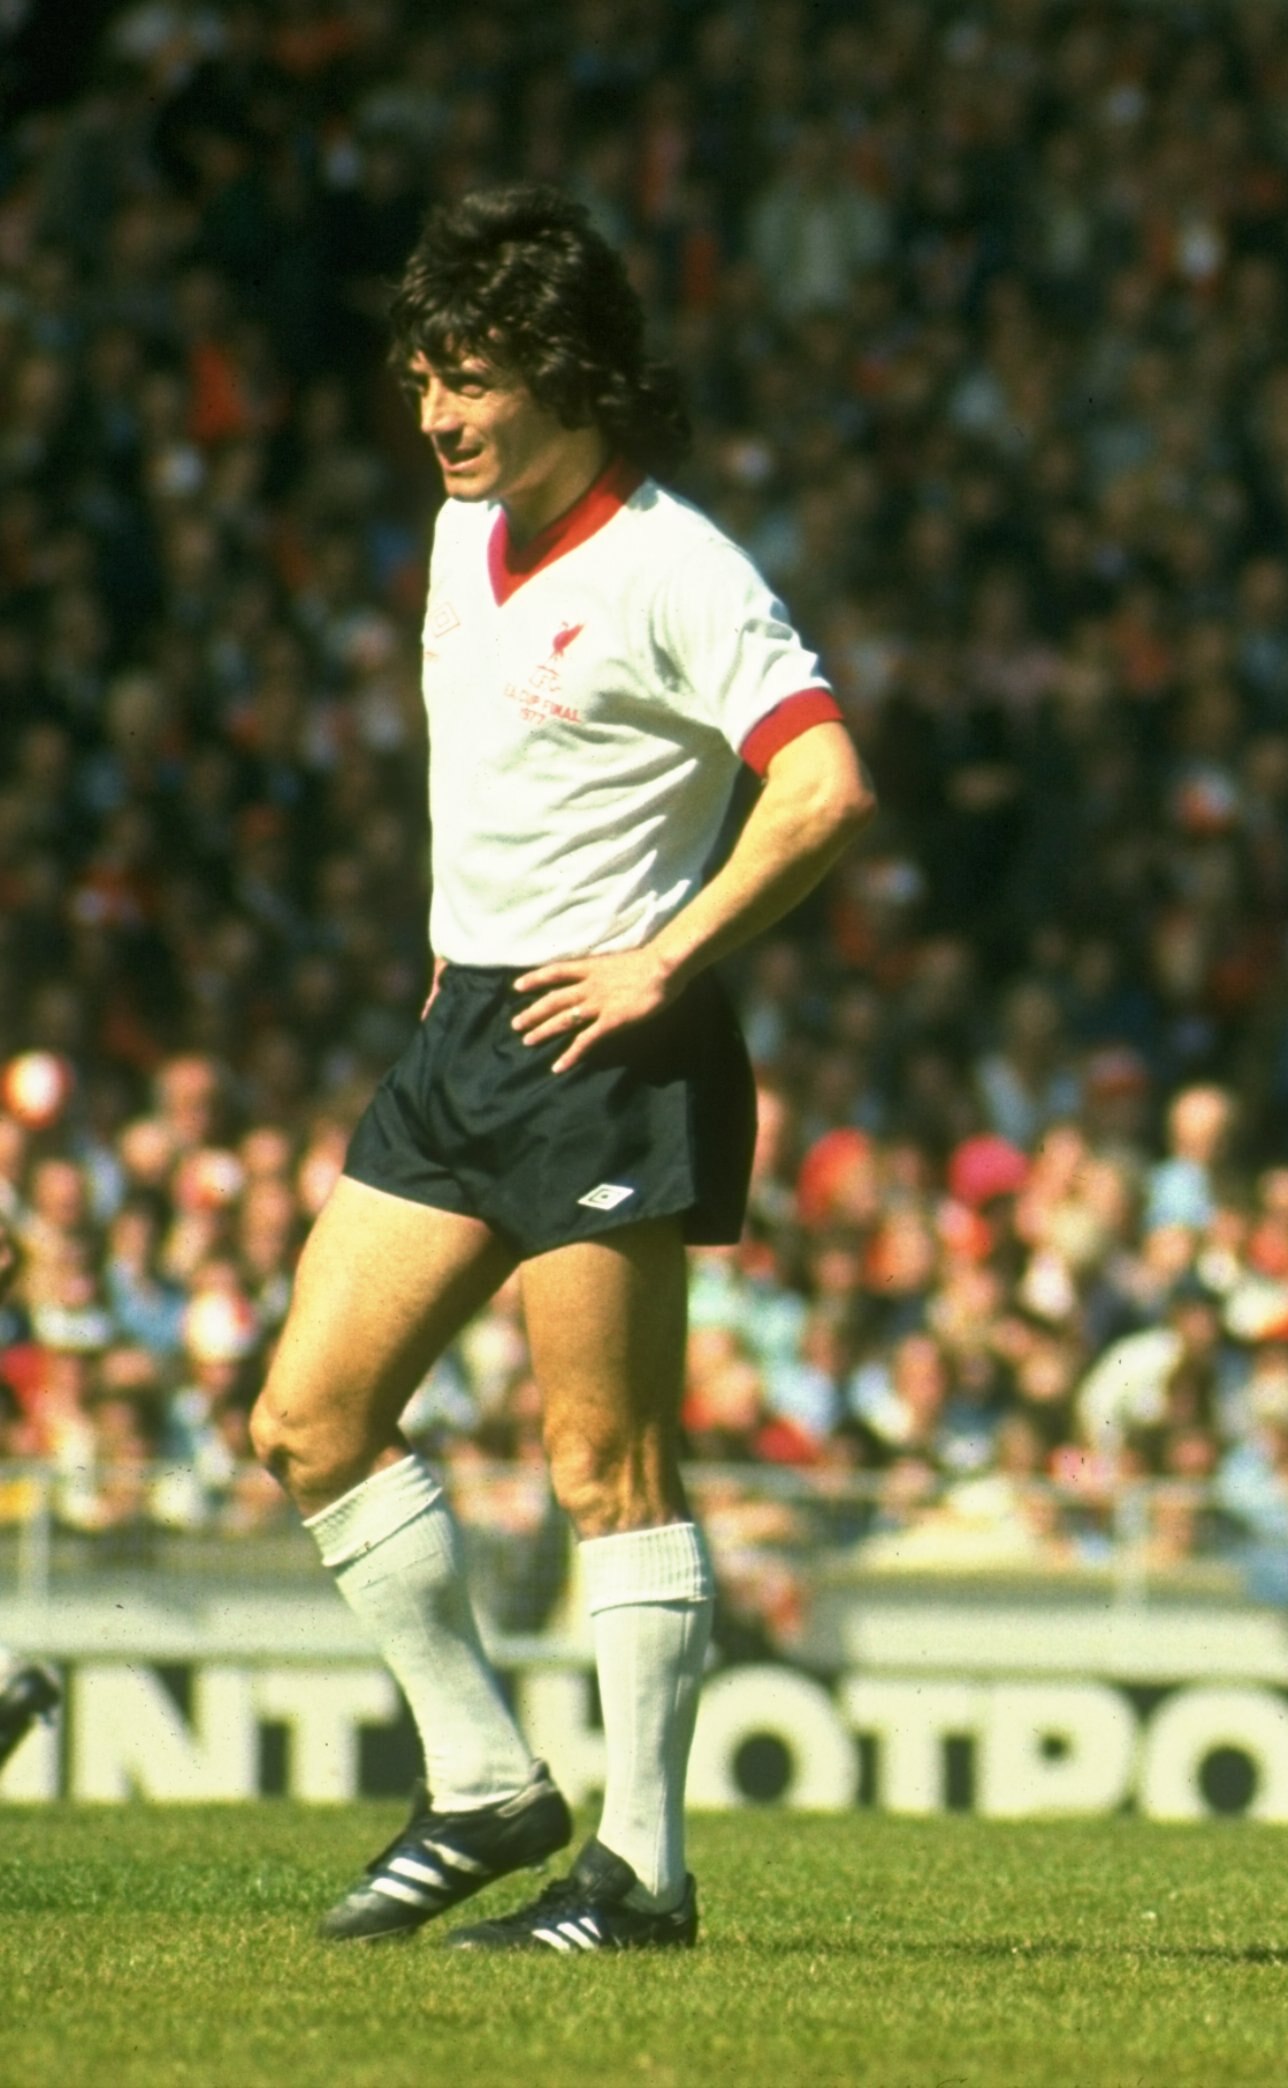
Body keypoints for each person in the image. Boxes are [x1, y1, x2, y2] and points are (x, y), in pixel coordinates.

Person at [245, 185, 873, 1953]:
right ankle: (483, 1786)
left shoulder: (675, 563)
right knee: (308, 1419)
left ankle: (645, 1873)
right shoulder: (469, 530)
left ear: (570, 371)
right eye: (423, 376)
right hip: (465, 1036)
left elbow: (823, 786)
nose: (435, 414)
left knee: (607, 1464)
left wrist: (665, 955)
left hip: (612, 1048)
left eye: (473, 379)